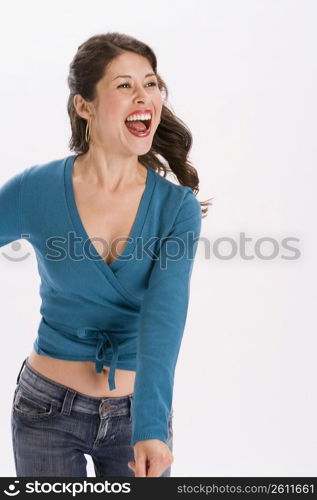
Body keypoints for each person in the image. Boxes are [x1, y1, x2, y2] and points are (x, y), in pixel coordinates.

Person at [1, 32, 211, 477]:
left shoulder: (177, 208)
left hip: (138, 416)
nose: (144, 97)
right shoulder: (35, 189)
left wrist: (151, 426)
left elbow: (164, 318)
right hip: (45, 409)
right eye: (124, 85)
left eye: (151, 83)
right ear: (85, 106)